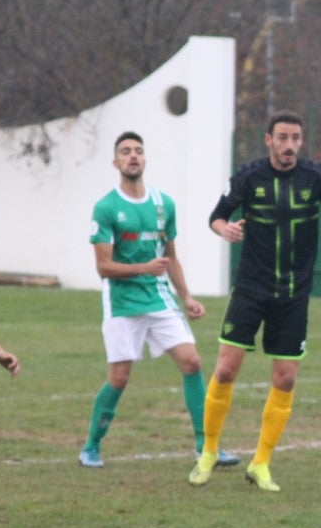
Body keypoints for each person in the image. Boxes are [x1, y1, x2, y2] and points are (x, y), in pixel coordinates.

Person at [188, 110, 321, 491]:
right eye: (283, 138)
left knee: (286, 378)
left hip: (293, 294)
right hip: (250, 289)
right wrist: (223, 228)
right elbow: (217, 215)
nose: (290, 145)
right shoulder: (249, 177)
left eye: (295, 138)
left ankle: (261, 463)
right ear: (269, 140)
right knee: (225, 370)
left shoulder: (316, 177)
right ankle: (207, 452)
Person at [81, 131, 239, 469]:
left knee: (192, 362)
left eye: (138, 151)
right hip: (122, 301)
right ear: (115, 162)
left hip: (158, 298)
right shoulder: (106, 207)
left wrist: (187, 296)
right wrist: (144, 268)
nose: (133, 156)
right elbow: (103, 267)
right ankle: (91, 446)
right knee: (119, 377)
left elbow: (171, 258)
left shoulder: (163, 204)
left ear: (145, 159)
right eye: (125, 152)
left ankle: (205, 447)